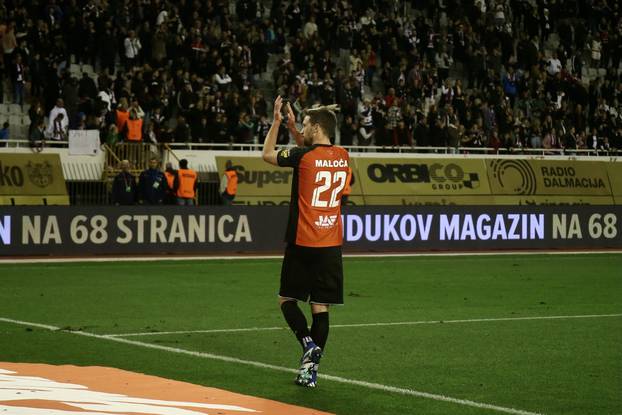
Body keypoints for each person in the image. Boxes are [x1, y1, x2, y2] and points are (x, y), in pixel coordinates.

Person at [262, 96, 349, 388]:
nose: (303, 126)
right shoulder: (343, 155)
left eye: (306, 124)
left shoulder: (303, 157)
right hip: (331, 243)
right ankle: (310, 372)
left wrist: (276, 121)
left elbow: (268, 154)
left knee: (286, 300)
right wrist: (293, 128)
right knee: (320, 308)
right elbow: (313, 153)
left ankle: (307, 342)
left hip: (303, 241)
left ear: (316, 127)